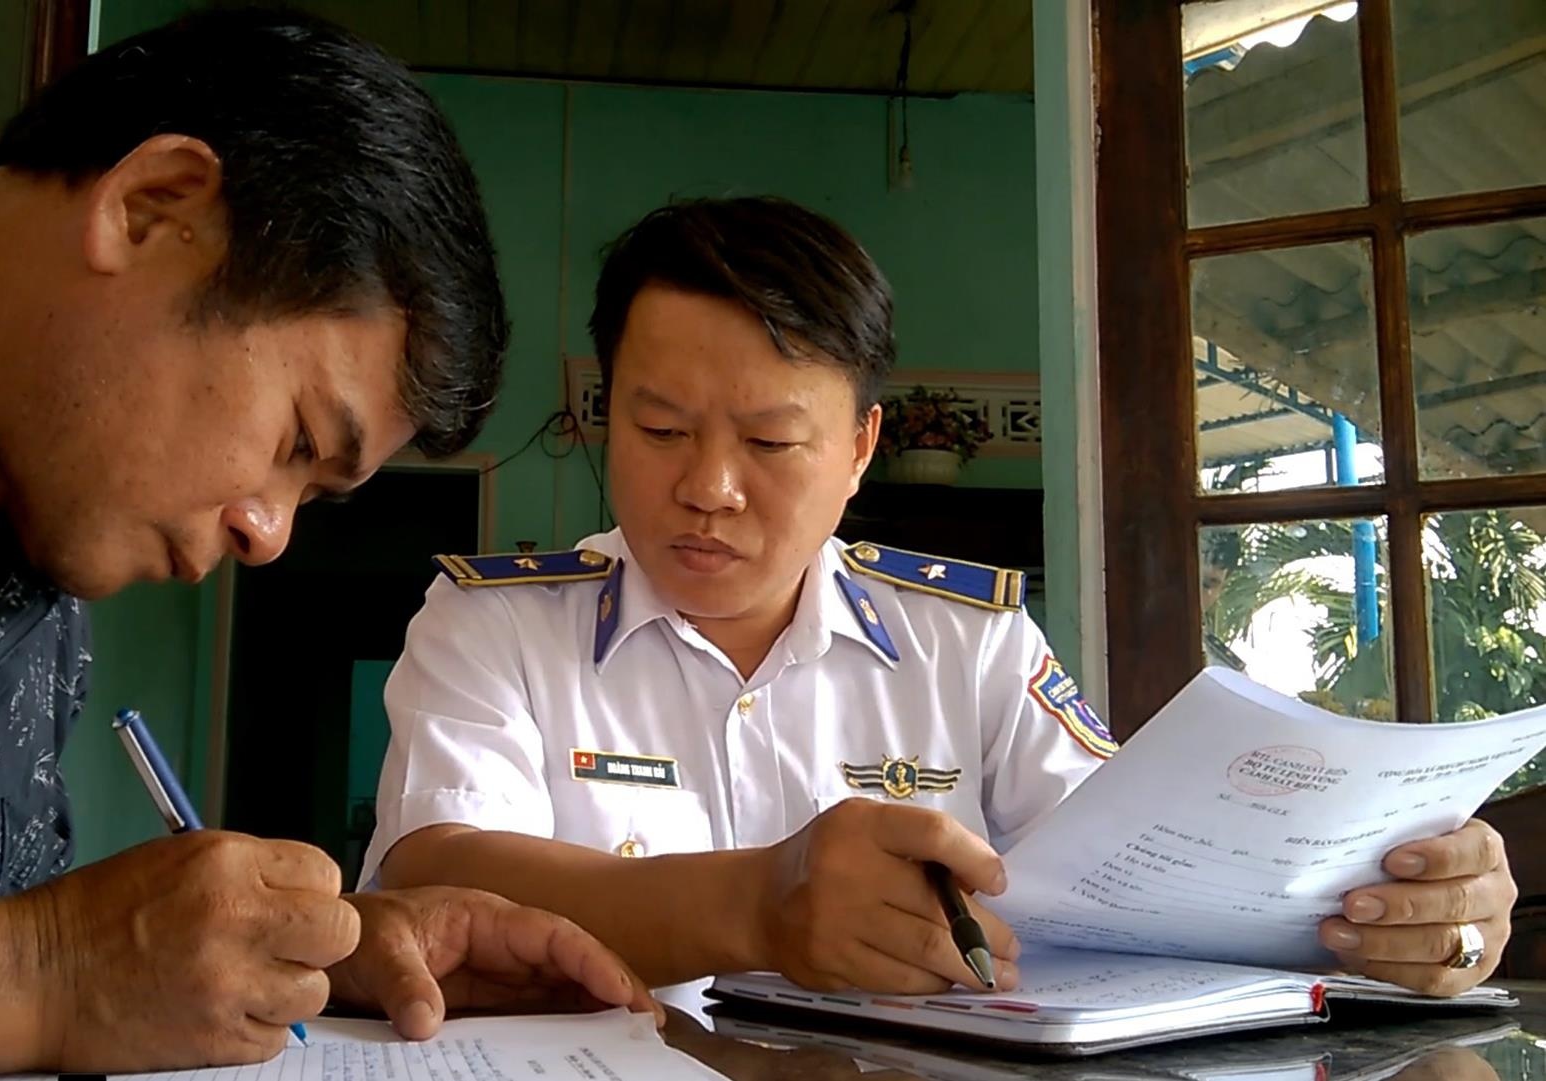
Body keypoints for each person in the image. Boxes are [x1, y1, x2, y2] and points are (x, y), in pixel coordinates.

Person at [0, 9, 654, 1079]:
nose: (268, 535)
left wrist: (311, 957)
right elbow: (22, 974)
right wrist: (53, 970)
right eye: (296, 442)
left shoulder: (39, 617)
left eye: (314, 495)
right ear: (151, 207)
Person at [362, 196, 1519, 1012]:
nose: (708, 486)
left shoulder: (969, 644)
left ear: (861, 447)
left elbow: (1142, 875)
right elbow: (434, 883)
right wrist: (760, 904)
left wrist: (1399, 917)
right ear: (602, 417)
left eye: (770, 442)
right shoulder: (493, 625)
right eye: (660, 428)